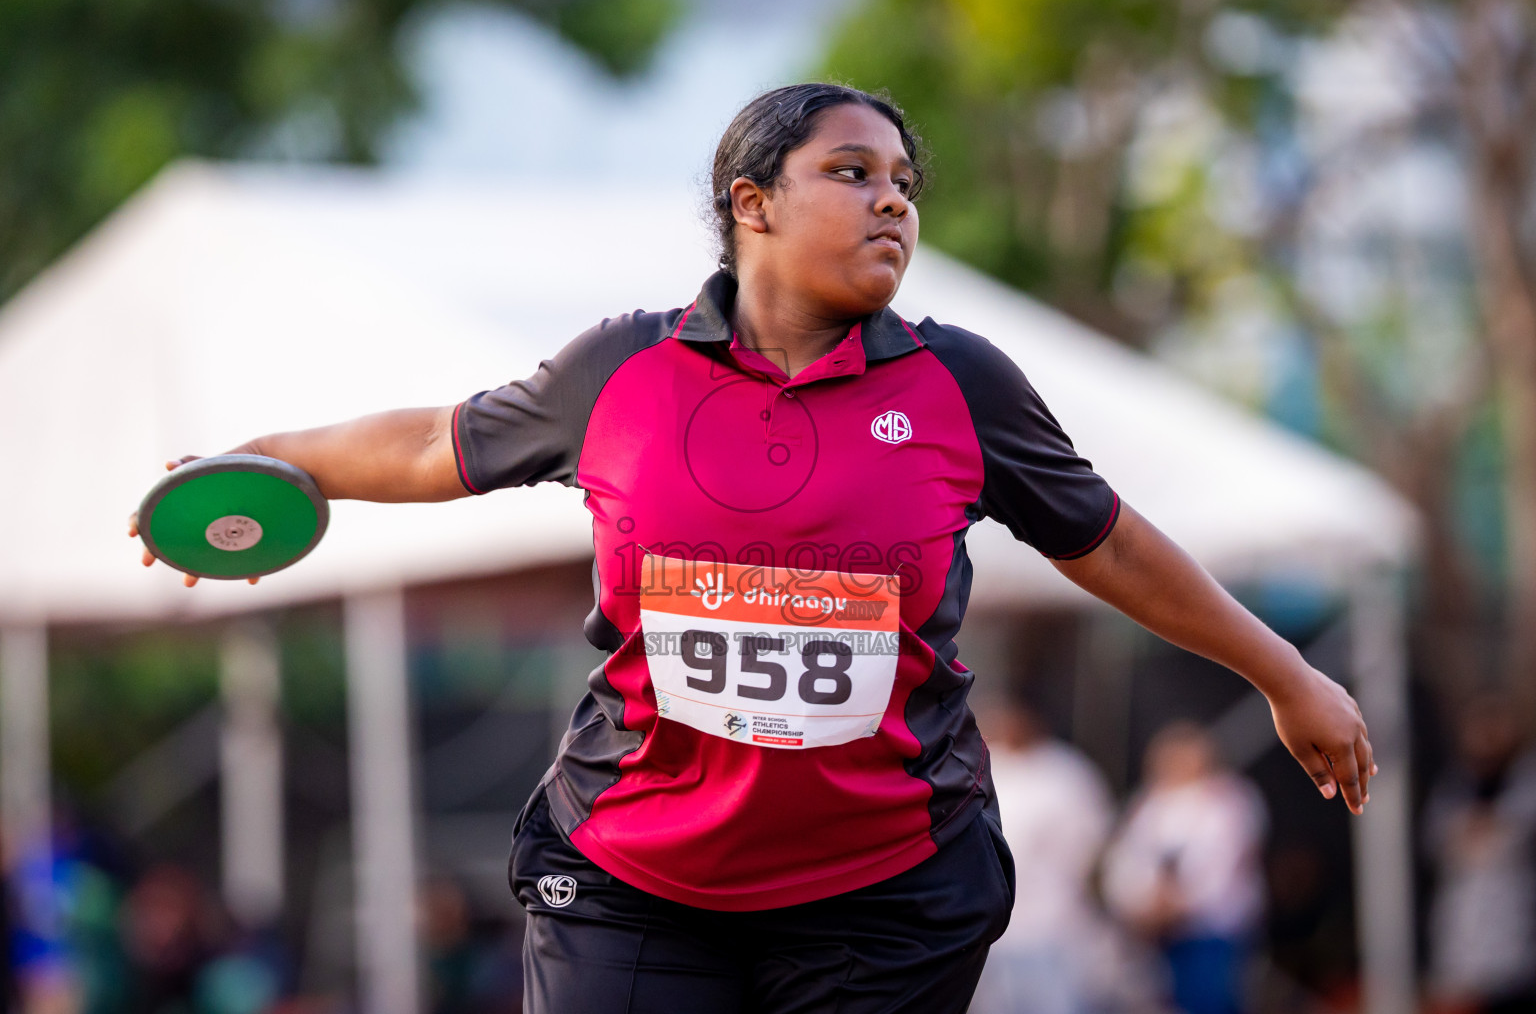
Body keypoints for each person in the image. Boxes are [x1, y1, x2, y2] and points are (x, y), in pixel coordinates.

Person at [129, 83, 1375, 1014]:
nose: (894, 197)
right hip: (631, 880)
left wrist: (1288, 674)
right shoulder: (624, 370)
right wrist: (261, 461)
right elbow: (431, 445)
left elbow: (1112, 545)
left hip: (886, 895)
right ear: (753, 202)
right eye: (853, 171)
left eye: (905, 181)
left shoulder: (960, 386)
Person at [1101, 722, 1268, 1014]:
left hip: (1210, 933)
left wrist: (1177, 904)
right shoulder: (1148, 805)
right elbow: (1125, 862)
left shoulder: (1230, 799)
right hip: (1153, 934)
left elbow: (1223, 867)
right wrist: (1137, 902)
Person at [968, 701, 1118, 1014]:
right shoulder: (980, 766)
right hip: (992, 930)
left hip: (1053, 925)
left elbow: (1091, 848)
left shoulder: (1064, 771)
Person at [1423, 693, 1536, 1013]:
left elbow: (1511, 833)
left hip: (1520, 952)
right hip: (1463, 951)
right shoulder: (1452, 789)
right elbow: (1439, 841)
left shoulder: (1526, 784)